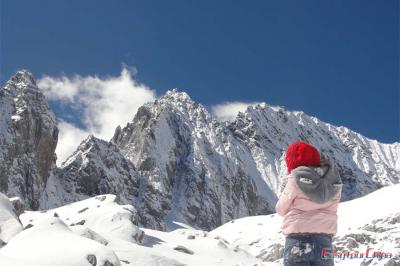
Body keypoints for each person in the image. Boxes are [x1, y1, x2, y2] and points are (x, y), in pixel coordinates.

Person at [276, 141, 342, 266]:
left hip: (298, 240)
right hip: (324, 242)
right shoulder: (335, 183)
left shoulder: (295, 179)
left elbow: (280, 209)